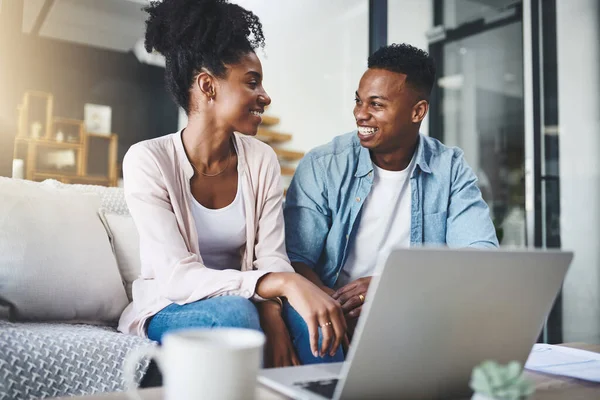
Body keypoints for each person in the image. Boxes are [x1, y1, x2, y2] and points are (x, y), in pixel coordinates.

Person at [118, 0, 346, 369]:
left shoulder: (261, 159)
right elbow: (177, 278)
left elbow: (272, 256)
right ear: (207, 85)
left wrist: (271, 310)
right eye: (251, 82)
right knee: (235, 316)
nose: (265, 96)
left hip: (251, 300)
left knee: (316, 321)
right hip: (170, 305)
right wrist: (282, 286)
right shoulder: (148, 160)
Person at [284, 43, 499, 339]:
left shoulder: (450, 169)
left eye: (376, 105)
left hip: (416, 308)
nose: (361, 114)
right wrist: (330, 305)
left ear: (418, 111)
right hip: (337, 306)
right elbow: (296, 259)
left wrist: (390, 287)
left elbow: (480, 257)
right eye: (358, 102)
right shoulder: (324, 165)